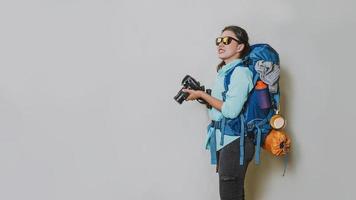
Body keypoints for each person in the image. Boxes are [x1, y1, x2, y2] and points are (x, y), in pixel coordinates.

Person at [182, 25, 255, 200]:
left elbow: (230, 111)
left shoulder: (241, 73)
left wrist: (202, 95)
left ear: (240, 47)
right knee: (234, 195)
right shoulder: (224, 72)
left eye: (227, 40)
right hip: (227, 142)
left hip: (236, 143)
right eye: (219, 40)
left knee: (230, 196)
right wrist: (202, 96)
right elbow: (221, 108)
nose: (221, 44)